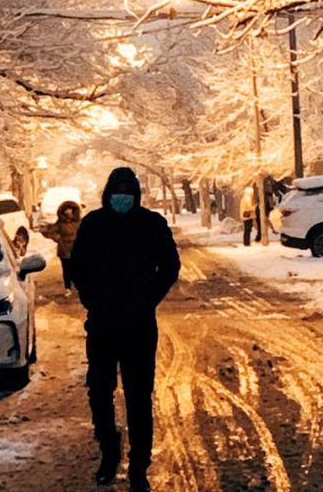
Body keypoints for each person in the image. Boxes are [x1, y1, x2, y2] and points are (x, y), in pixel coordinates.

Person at [69, 166, 180, 492]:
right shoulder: (93, 224)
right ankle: (109, 450)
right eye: (117, 191)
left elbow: (170, 266)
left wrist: (148, 299)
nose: (122, 197)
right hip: (102, 326)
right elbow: (78, 266)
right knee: (100, 392)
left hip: (139, 327)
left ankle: (139, 466)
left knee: (138, 397)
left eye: (127, 191)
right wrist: (92, 299)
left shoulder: (151, 224)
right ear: (107, 193)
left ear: (135, 194)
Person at [54, 198, 82, 289]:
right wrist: (58, 238)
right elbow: (52, 232)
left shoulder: (79, 222)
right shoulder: (60, 223)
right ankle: (68, 287)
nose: (68, 211)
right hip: (64, 248)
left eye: (70, 209)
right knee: (66, 269)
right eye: (66, 210)